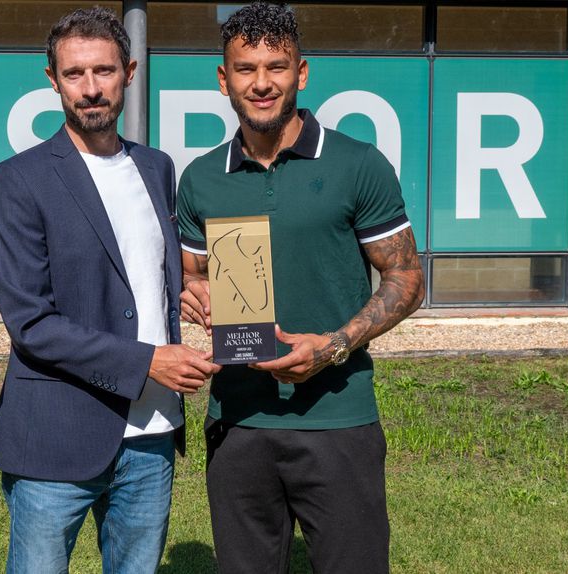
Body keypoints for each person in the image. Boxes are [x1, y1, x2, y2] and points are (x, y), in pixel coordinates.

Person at [176, 2, 425, 573]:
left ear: (301, 72)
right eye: (246, 69)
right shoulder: (200, 179)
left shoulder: (358, 164)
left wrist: (334, 345)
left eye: (277, 67)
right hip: (238, 421)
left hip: (338, 418)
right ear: (224, 79)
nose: (261, 83)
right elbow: (192, 276)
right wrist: (192, 294)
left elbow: (407, 277)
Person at [0, 7, 220, 574]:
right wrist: (149, 361)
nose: (90, 88)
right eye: (74, 74)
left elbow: (142, 271)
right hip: (56, 435)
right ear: (53, 79)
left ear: (129, 73)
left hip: (152, 434)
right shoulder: (17, 181)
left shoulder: (157, 168)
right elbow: (32, 324)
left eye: (104, 71)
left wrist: (187, 288)